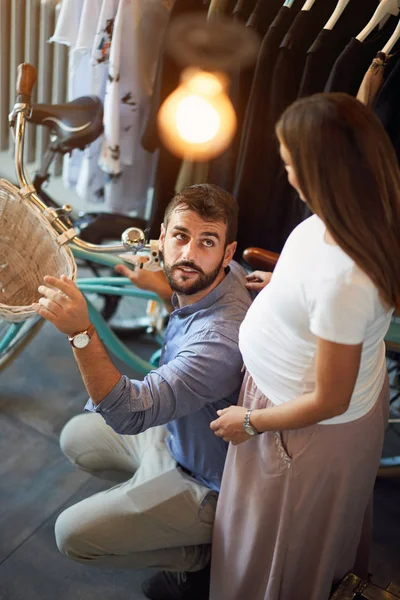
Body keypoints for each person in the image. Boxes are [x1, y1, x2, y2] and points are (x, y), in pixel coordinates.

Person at [209, 93, 400, 600]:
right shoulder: (361, 211)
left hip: (300, 429)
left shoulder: (345, 283)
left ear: (325, 173)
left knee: (277, 552)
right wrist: (287, 285)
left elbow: (329, 399)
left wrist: (249, 422)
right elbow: (332, 295)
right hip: (296, 404)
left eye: (291, 163)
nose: (285, 172)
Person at [33, 183, 252, 600]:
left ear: (227, 252)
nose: (189, 253)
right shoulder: (223, 277)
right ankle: (149, 503)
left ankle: (201, 555)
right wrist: (161, 287)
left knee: (71, 536)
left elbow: (129, 413)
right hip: (179, 435)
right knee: (76, 438)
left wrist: (81, 332)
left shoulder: (220, 341)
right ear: (162, 237)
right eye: (180, 236)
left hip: (207, 482)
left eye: (208, 242)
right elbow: (191, 284)